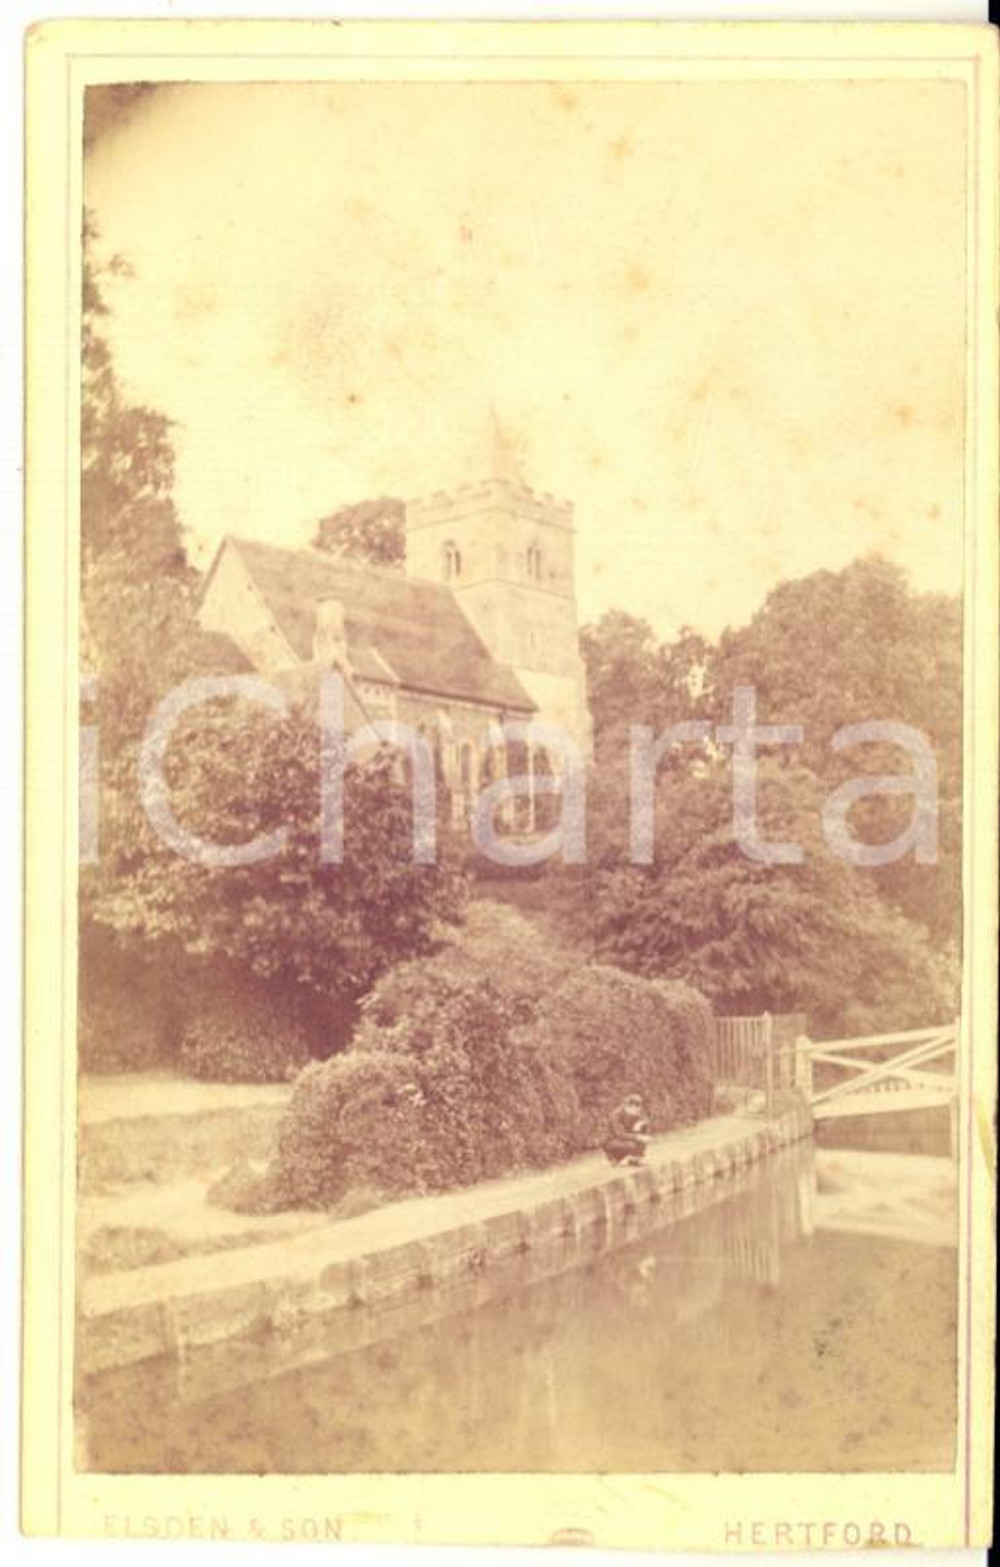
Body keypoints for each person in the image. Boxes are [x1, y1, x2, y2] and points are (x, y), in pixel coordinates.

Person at [603, 1092, 652, 1166]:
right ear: (628, 1106)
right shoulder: (615, 1115)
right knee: (631, 1144)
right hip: (612, 1141)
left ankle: (636, 1159)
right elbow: (620, 1135)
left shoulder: (638, 1112)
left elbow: (646, 1123)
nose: (638, 1111)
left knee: (642, 1136)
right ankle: (614, 1158)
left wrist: (641, 1125)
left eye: (638, 1108)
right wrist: (637, 1136)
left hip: (626, 1137)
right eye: (635, 1108)